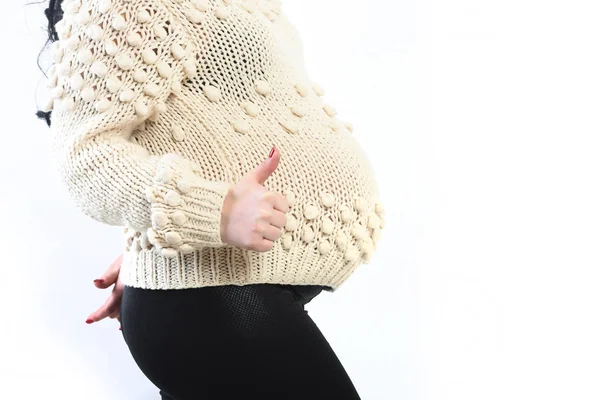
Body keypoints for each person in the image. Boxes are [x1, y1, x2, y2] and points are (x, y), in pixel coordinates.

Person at [36, 0, 386, 398]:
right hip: (215, 299)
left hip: (224, 291)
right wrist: (212, 211)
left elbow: (184, 121)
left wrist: (163, 235)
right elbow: (83, 153)